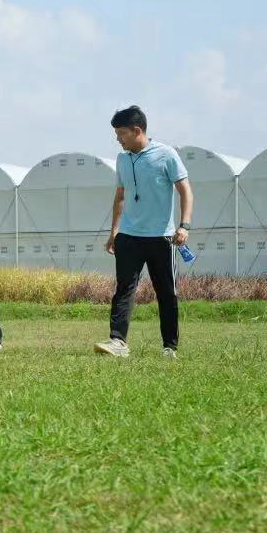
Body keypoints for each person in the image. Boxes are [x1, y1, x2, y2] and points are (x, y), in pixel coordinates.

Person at [98, 105, 193, 358]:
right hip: (129, 236)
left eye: (121, 134)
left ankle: (169, 347)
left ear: (137, 130)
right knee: (124, 289)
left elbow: (185, 190)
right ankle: (118, 342)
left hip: (161, 237)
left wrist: (184, 225)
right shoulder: (122, 159)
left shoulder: (166, 154)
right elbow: (120, 196)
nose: (118, 139)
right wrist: (114, 232)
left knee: (167, 293)